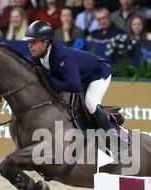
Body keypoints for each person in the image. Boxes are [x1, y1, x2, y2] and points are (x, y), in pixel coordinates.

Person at [23, 20, 118, 157]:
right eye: (28, 42)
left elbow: (74, 86)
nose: (30, 46)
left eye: (34, 42)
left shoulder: (62, 57)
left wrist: (50, 82)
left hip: (97, 74)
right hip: (78, 76)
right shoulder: (37, 56)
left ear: (46, 42)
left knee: (91, 103)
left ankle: (113, 143)